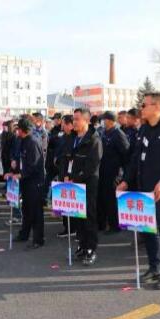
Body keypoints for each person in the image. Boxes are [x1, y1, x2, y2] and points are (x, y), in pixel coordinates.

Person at [118, 93, 160, 289]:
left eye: (144, 105)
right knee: (148, 231)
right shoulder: (144, 129)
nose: (141, 108)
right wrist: (125, 181)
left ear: (157, 107)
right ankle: (154, 267)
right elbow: (135, 159)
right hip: (143, 188)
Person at [59, 108, 102, 265]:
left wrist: (76, 179)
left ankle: (91, 248)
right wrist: (65, 175)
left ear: (86, 121)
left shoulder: (94, 140)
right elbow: (65, 158)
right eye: (73, 119)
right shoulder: (71, 138)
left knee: (88, 216)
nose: (74, 122)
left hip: (87, 184)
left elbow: (92, 166)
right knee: (77, 216)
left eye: (77, 119)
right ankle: (82, 245)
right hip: (72, 183)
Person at [8, 117, 45, 249]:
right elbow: (20, 159)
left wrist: (21, 174)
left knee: (36, 212)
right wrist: (13, 171)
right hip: (25, 180)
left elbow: (33, 165)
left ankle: (38, 239)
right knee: (26, 209)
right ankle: (24, 234)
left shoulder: (33, 142)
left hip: (35, 182)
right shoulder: (22, 141)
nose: (16, 131)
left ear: (22, 130)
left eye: (18, 129)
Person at [97, 111, 130, 234]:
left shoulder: (118, 134)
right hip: (103, 171)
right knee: (103, 198)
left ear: (110, 120)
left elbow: (126, 154)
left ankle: (115, 226)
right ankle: (104, 223)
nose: (102, 122)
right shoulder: (103, 133)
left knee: (111, 199)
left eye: (104, 119)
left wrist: (122, 173)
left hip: (114, 172)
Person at [55, 115, 77, 238]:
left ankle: (72, 228)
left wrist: (68, 174)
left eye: (64, 123)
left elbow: (72, 159)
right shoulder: (64, 137)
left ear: (70, 124)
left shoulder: (74, 138)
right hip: (61, 172)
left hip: (69, 175)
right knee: (64, 202)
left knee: (71, 203)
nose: (62, 126)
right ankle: (66, 226)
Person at [44, 113, 63, 206]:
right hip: (51, 161)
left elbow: (58, 143)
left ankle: (56, 203)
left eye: (55, 119)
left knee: (59, 183)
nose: (54, 121)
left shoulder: (62, 131)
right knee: (48, 181)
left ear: (59, 119)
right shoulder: (53, 130)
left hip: (59, 162)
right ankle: (47, 200)